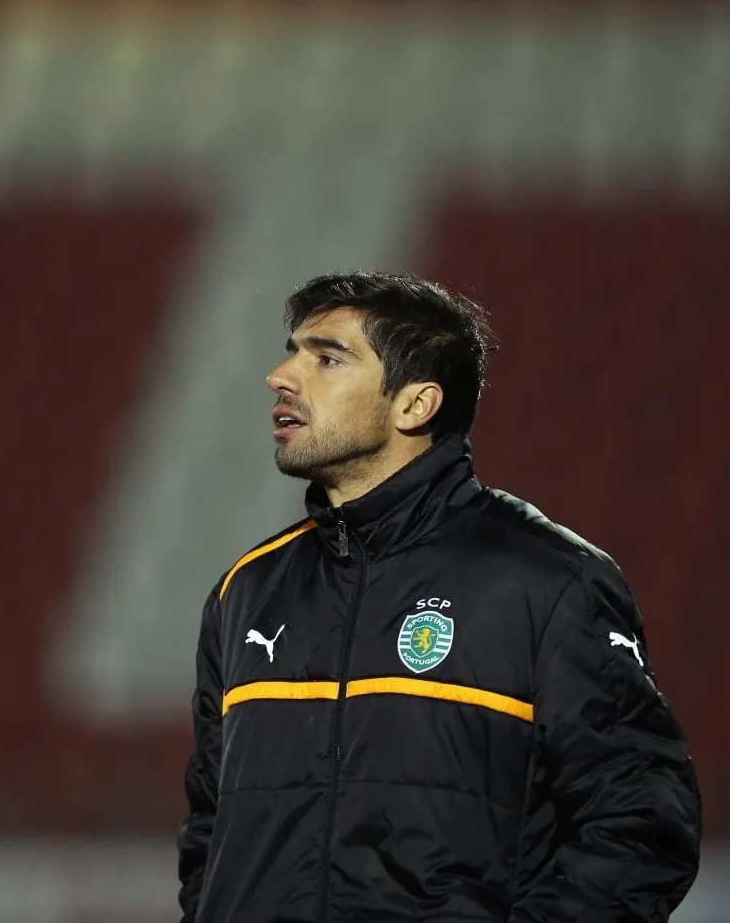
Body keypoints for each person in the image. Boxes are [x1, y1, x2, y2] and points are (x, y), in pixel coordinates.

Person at [178, 271, 701, 923]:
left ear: (415, 405)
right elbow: (208, 827)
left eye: (328, 358)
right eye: (293, 351)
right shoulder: (246, 590)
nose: (281, 376)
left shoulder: (547, 581)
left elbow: (643, 825)